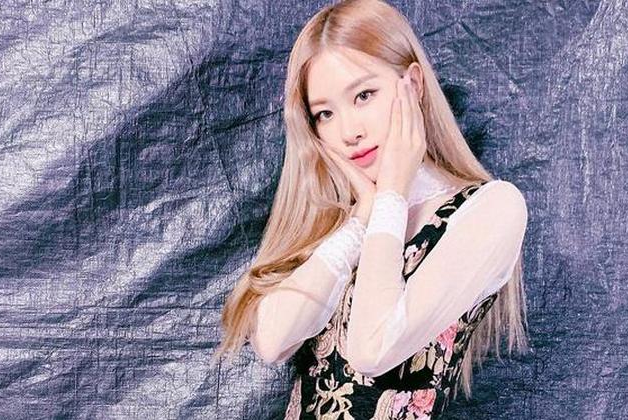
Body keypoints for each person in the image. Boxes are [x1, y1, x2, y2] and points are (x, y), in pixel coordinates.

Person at [214, 0, 529, 417]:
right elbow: (271, 341)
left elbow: (371, 349)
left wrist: (392, 194)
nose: (349, 131)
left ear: (412, 84)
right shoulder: (340, 218)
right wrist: (363, 218)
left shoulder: (490, 209)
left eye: (364, 95)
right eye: (325, 113)